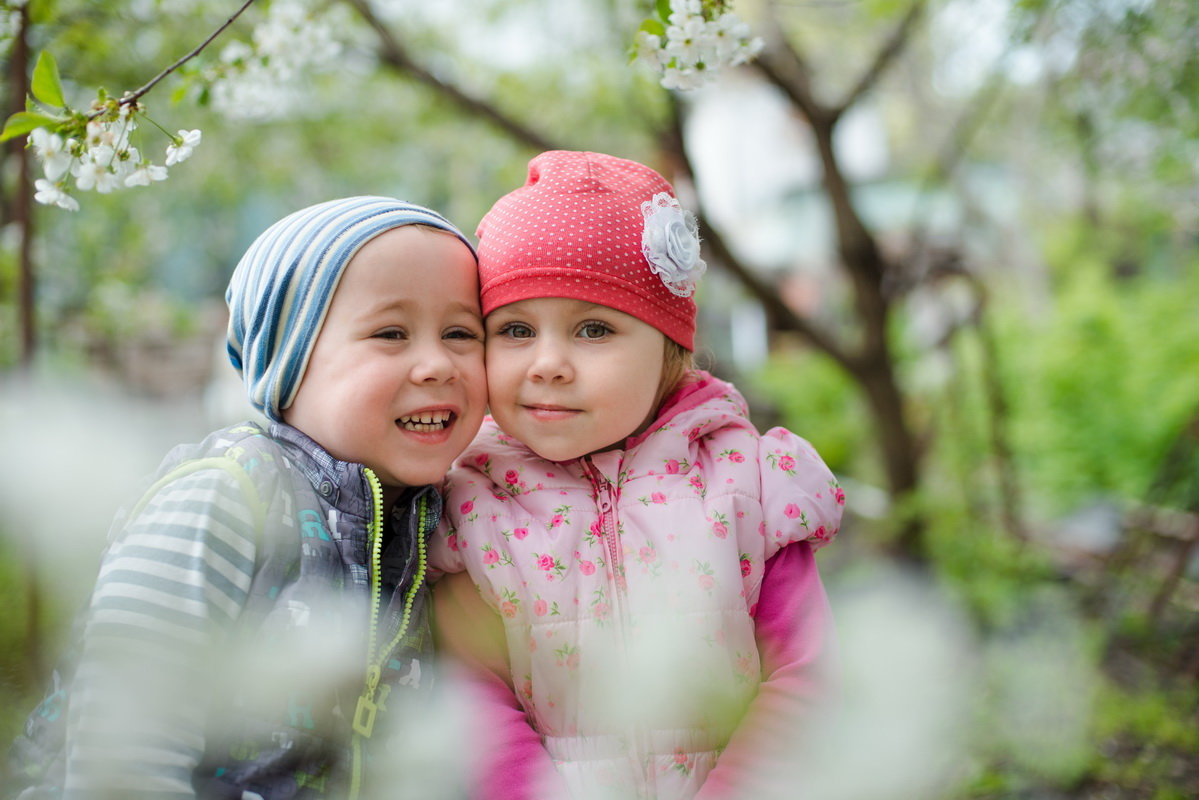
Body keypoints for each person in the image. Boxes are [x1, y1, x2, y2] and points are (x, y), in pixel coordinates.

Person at [5, 196, 488, 800]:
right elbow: (125, 727)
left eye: (462, 333)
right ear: (288, 362)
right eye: (391, 333)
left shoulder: (427, 518)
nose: (437, 364)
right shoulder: (229, 491)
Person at [431, 151, 845, 800]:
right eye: (514, 329)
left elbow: (803, 674)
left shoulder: (746, 485)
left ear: (669, 348)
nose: (548, 364)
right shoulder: (472, 504)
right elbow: (473, 697)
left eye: (593, 329)